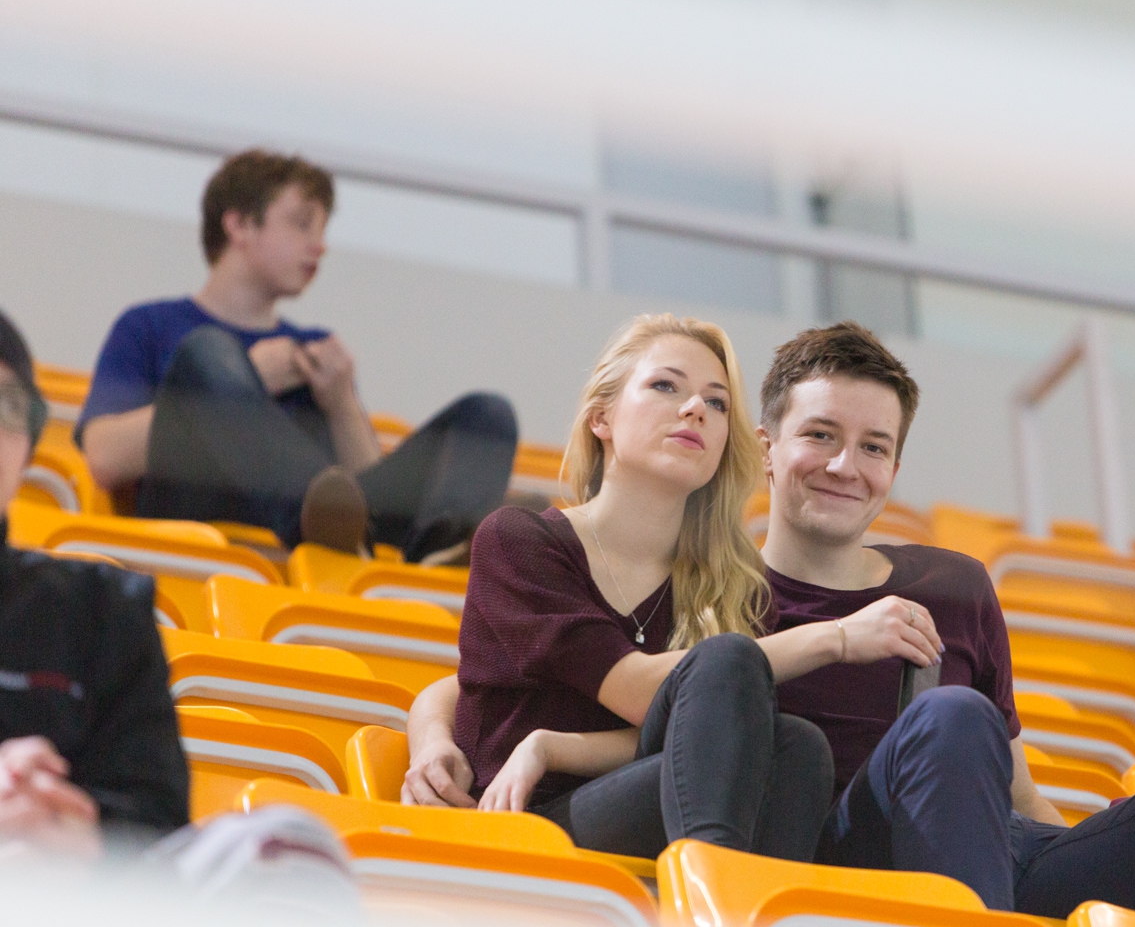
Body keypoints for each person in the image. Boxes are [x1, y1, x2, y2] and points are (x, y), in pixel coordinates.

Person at [408, 320, 1135, 927]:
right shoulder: (728, 589)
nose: (845, 464)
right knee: (938, 719)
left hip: (994, 850)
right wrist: (438, 727)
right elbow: (526, 674)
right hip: (854, 850)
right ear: (766, 448)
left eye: (874, 446)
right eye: (820, 437)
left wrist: (1081, 844)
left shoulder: (954, 584)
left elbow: (1016, 780)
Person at [405, 313, 949, 864]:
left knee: (798, 747)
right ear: (602, 417)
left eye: (716, 403)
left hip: (653, 800)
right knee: (729, 662)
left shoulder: (734, 582)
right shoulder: (521, 541)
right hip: (517, 819)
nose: (695, 409)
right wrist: (836, 637)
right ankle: (715, 902)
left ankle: (739, 917)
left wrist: (550, 746)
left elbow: (695, 729)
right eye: (666, 386)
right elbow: (637, 690)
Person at [76, 149, 518, 563]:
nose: (319, 245)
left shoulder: (315, 345)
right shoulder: (149, 326)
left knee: (488, 416)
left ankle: (442, 552)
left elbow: (361, 495)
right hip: (195, 520)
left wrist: (341, 401)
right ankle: (305, 514)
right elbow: (105, 457)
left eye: (322, 230)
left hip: (336, 543)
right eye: (302, 224)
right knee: (208, 352)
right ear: (240, 226)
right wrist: (247, 377)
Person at [0, 311, 189, 856]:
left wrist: (79, 833)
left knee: (286, 846)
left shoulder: (105, 610)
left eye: (8, 407)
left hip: (68, 916)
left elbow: (156, 827)